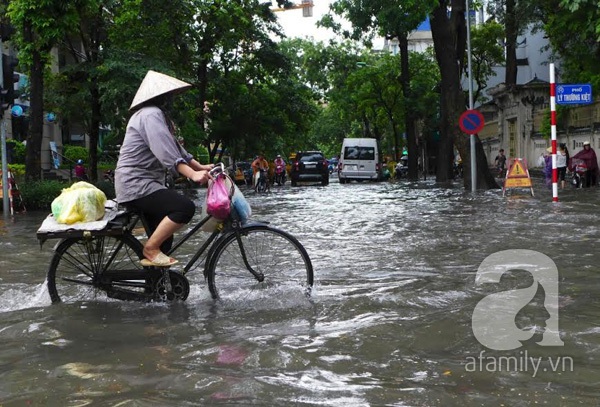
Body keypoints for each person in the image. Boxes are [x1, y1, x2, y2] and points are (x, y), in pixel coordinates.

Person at [115, 70, 213, 267]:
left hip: (145, 184)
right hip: (137, 185)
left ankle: (155, 289)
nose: (171, 100)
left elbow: (177, 149)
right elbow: (165, 152)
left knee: (165, 242)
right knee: (183, 207)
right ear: (160, 97)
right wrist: (192, 174)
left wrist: (201, 166)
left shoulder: (155, 116)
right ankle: (150, 248)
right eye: (169, 96)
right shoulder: (150, 114)